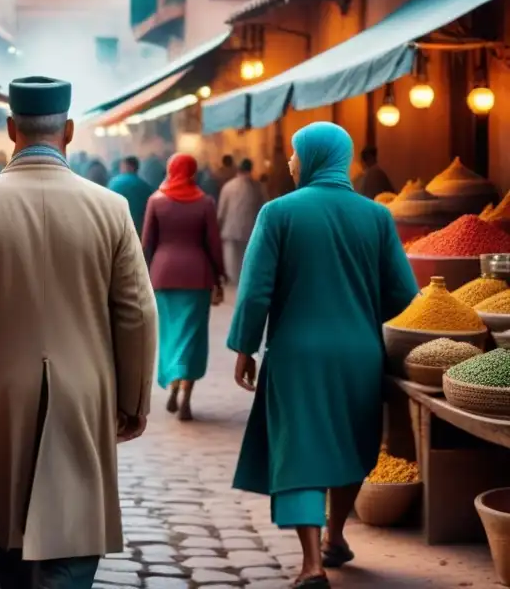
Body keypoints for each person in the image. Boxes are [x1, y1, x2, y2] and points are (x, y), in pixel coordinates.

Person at [0, 76, 157, 589]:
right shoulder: (112, 209)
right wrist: (134, 398)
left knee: (10, 541)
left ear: (11, 128)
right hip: (85, 395)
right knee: (74, 541)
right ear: (69, 131)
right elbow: (138, 314)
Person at [227, 122, 418, 588]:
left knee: (301, 451)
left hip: (297, 355)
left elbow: (254, 294)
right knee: (350, 444)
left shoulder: (278, 213)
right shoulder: (375, 216)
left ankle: (313, 564)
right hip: (359, 352)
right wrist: (361, 307)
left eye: (294, 154)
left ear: (311, 157)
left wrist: (244, 347)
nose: (291, 162)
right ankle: (336, 536)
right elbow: (404, 294)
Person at [142, 154, 225, 422]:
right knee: (192, 335)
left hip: (163, 275)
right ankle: (186, 391)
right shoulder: (205, 202)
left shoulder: (156, 200)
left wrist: (141, 275)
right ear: (193, 172)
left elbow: (147, 244)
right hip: (197, 276)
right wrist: (219, 277)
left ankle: (173, 379)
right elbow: (214, 244)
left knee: (169, 333)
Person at [217, 158, 265, 285]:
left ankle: (234, 283)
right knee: (247, 258)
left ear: (238, 170)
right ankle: (245, 282)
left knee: (232, 261)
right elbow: (264, 207)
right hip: (251, 229)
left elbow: (221, 210)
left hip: (230, 229)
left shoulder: (228, 187)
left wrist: (218, 226)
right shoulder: (258, 187)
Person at [109, 156, 155, 235]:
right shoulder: (145, 186)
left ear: (129, 167)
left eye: (122, 166)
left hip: (117, 228)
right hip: (138, 230)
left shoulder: (113, 183)